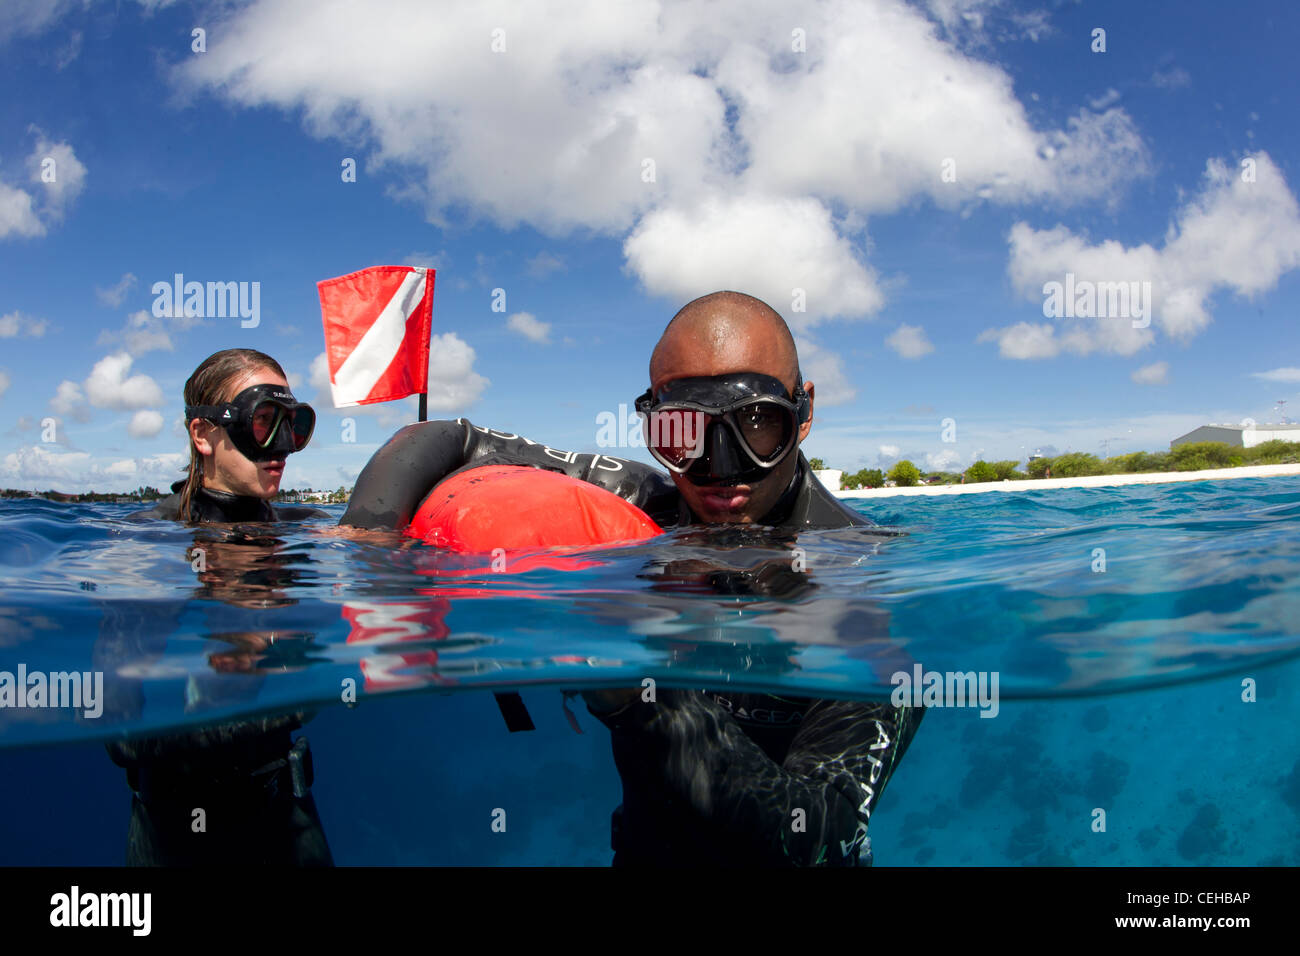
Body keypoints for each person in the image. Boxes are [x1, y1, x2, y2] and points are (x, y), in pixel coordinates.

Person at [343, 291, 922, 866]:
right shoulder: (647, 502)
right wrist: (369, 557)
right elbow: (448, 439)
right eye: (682, 432)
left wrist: (632, 684)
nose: (721, 468)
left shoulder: (867, 591)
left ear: (804, 412)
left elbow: (814, 836)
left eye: (756, 425)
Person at [109, 348, 333, 865]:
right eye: (262, 422)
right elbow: (115, 721)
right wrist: (216, 692)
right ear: (203, 434)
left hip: (287, 811)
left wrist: (279, 657)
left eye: (293, 425)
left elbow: (316, 687)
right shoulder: (150, 543)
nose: (282, 448)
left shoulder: (299, 530)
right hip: (174, 829)